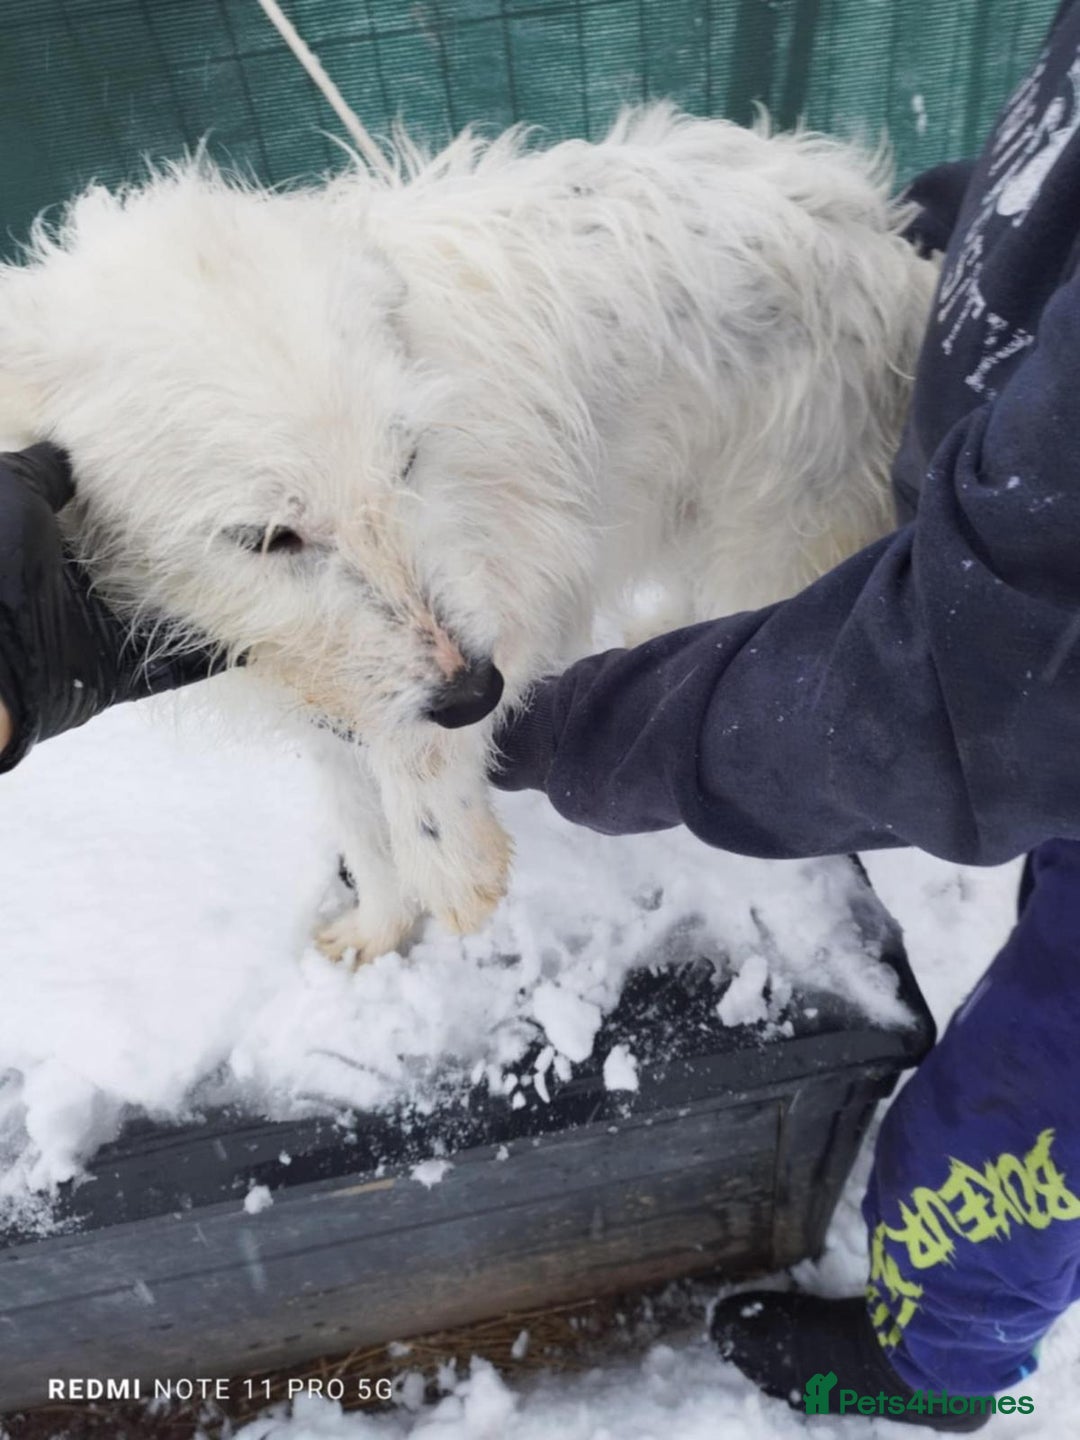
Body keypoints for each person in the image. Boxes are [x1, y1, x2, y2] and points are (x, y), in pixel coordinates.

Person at [1, 2, 1078, 1428]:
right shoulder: (132, 370)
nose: (441, 644)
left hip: (812, 380)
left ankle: (947, 1358)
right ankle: (385, 889)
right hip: (929, 353)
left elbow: (930, 692)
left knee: (758, 624)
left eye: (405, 457)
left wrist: (527, 752)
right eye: (272, 539)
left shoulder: (333, 389)